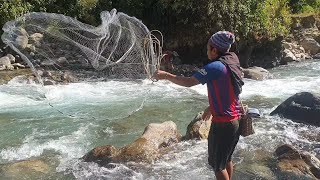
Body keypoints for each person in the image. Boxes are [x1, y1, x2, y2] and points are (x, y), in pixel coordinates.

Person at [153, 31, 242, 180]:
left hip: (223, 125)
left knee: (217, 165)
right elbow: (229, 90)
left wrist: (166, 76)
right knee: (226, 159)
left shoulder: (215, 67)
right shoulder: (232, 60)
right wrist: (210, 107)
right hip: (234, 121)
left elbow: (188, 82)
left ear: (214, 50)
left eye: (208, 48)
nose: (206, 51)